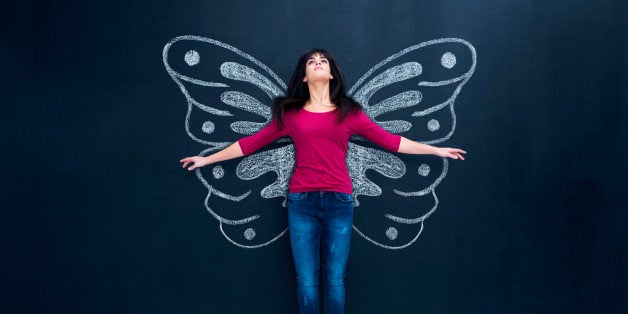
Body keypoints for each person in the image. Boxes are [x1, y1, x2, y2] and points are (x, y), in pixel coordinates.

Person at [180, 48, 466, 314]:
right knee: (306, 280)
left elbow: (392, 142)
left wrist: (436, 150)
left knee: (334, 278)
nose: (318, 63)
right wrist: (208, 159)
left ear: (331, 74)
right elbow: (250, 144)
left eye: (323, 61)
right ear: (305, 76)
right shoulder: (290, 115)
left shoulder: (349, 113)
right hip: (301, 202)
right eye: (311, 61)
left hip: (340, 201)